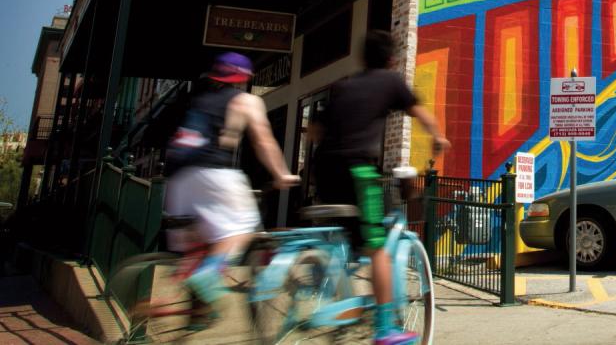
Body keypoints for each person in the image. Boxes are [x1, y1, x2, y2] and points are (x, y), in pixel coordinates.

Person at [309, 31, 450, 345]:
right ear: (391, 59)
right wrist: (438, 138)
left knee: (347, 236)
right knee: (379, 248)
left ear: (362, 58)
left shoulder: (342, 85)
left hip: (325, 169)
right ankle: (385, 329)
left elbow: (314, 132)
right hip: (357, 170)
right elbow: (422, 114)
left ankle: (337, 296)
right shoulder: (391, 82)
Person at [164, 52, 299, 315]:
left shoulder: (197, 101)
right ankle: (208, 276)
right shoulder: (245, 100)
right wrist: (282, 173)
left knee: (202, 246)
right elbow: (263, 141)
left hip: (178, 180)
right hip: (214, 174)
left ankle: (196, 314)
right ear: (244, 78)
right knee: (243, 227)